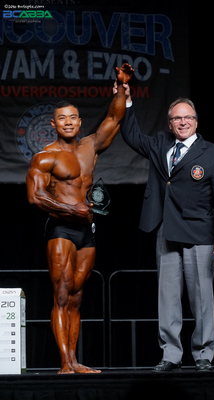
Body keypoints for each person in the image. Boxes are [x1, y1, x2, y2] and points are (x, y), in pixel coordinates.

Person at [117, 84, 214, 372]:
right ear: (169, 123)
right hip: (166, 232)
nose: (182, 122)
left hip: (200, 234)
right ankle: (171, 355)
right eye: (177, 119)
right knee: (167, 299)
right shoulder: (161, 145)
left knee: (201, 298)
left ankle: (203, 355)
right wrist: (127, 102)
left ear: (196, 122)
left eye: (188, 118)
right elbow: (131, 135)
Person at [27, 63, 133, 374]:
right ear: (54, 123)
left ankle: (75, 360)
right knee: (61, 294)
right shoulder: (45, 156)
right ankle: (64, 363)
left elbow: (114, 118)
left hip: (87, 233)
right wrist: (72, 210)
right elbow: (36, 197)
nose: (68, 122)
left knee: (76, 296)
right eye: (62, 118)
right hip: (60, 229)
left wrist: (121, 85)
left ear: (79, 121)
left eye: (73, 117)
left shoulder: (90, 147)